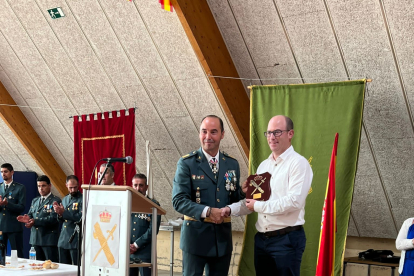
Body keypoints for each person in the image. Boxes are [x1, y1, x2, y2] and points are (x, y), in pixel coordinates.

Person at [222, 115, 313, 276]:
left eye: (277, 132)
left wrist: (257, 206)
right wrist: (228, 210)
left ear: (290, 133)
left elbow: (294, 202)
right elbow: (252, 202)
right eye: (269, 133)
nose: (271, 137)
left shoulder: (299, 164)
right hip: (262, 240)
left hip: (287, 239)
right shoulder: (264, 165)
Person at [172, 115, 244, 276]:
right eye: (204, 132)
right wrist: (208, 212)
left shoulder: (232, 164)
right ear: (199, 133)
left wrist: (242, 193)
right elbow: (178, 201)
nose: (208, 137)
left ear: (222, 134)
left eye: (213, 132)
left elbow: (231, 198)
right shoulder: (187, 163)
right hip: (195, 239)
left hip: (222, 241)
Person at [17, 175, 61, 262]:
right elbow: (30, 214)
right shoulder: (35, 200)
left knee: (50, 268)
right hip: (35, 239)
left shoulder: (55, 200)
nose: (41, 188)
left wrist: (35, 221)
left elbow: (53, 218)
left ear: (50, 186)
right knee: (36, 266)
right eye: (39, 186)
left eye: (43, 186)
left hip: (48, 240)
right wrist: (27, 219)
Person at [129, 174, 161, 276]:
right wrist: (128, 246)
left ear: (146, 187)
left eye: (141, 185)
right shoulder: (127, 203)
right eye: (135, 185)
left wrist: (136, 245)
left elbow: (153, 230)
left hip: (145, 253)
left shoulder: (153, 205)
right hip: (129, 253)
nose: (138, 188)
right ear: (132, 186)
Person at [53, 175, 82, 265]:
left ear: (78, 185)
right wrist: (59, 213)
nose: (73, 190)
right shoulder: (65, 199)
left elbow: (80, 217)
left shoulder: (83, 199)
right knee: (63, 268)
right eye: (70, 188)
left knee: (75, 269)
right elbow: (60, 220)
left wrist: (64, 213)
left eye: (75, 187)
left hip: (75, 239)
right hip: (63, 239)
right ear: (66, 185)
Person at [0, 163, 26, 257]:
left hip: (13, 226)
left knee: (17, 255)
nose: (3, 174)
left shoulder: (19, 187)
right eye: (2, 172)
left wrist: (7, 204)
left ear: (12, 172)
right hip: (1, 226)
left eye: (6, 171)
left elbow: (21, 207)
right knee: (1, 255)